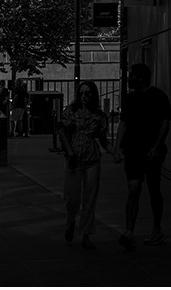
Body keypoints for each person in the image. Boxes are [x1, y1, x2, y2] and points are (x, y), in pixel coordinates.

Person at [116, 62, 171, 249]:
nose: (128, 78)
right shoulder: (130, 98)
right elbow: (123, 123)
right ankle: (129, 231)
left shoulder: (158, 96)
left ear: (141, 78)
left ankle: (156, 228)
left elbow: (165, 122)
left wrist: (156, 146)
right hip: (133, 150)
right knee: (134, 189)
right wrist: (117, 146)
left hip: (150, 150)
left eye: (131, 75)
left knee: (153, 188)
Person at [59, 80, 110, 250]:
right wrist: (70, 152)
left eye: (87, 93)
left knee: (90, 198)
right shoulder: (71, 112)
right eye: (81, 93)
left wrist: (114, 151)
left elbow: (102, 139)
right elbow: (63, 133)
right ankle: (71, 220)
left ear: (93, 95)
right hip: (74, 157)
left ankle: (86, 234)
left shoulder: (99, 116)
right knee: (72, 197)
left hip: (91, 158)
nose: (84, 97)